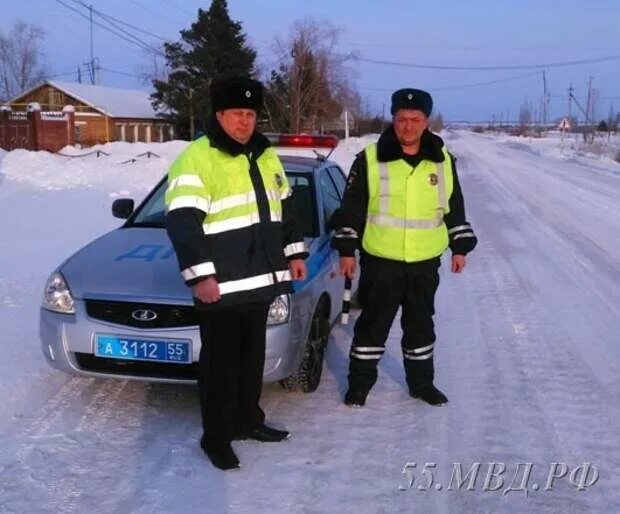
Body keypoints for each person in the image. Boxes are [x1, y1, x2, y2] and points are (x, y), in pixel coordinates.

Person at [165, 76, 308, 470]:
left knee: (251, 361)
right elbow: (182, 223)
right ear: (219, 115)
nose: (244, 122)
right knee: (219, 367)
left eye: (250, 114)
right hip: (221, 288)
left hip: (261, 281)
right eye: (236, 114)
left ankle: (248, 421)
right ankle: (216, 437)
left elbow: (286, 209)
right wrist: (201, 277)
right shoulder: (198, 158)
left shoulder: (264, 155)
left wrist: (294, 253)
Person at [330, 87, 477, 408]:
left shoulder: (442, 161)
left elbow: (454, 206)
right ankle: (359, 385)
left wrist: (460, 246)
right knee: (372, 326)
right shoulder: (369, 159)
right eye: (401, 119)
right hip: (381, 261)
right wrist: (346, 250)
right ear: (392, 120)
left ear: (426, 122)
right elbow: (351, 208)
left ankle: (422, 384)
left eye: (415, 119)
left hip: (425, 262)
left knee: (421, 326)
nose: (407, 126)